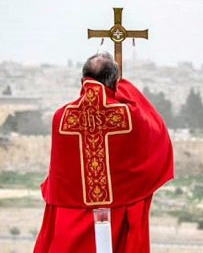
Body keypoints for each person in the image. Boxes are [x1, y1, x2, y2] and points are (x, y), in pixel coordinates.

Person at [34, 52, 174, 252]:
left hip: (69, 217)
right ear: (114, 82)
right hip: (116, 213)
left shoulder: (61, 117)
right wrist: (125, 87)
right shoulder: (129, 116)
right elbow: (157, 131)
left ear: (83, 79)